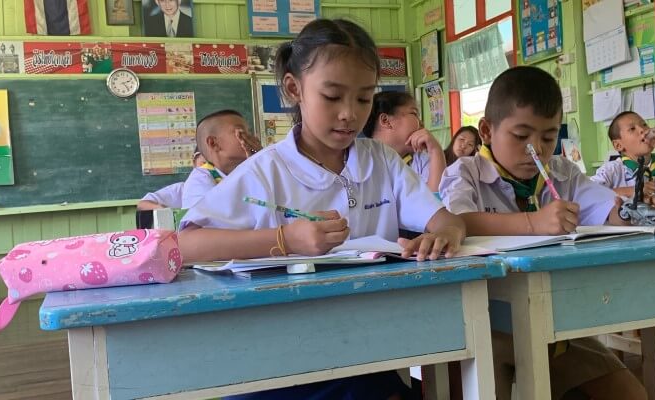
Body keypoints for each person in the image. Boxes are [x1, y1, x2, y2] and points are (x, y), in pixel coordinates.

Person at [178, 19, 465, 399]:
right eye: (332, 97)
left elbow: (445, 220)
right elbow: (186, 245)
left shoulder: (381, 161)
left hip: (362, 345)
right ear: (294, 89)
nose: (349, 114)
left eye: (363, 98)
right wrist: (285, 239)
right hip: (273, 356)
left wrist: (445, 234)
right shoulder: (265, 171)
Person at [438, 66, 647, 400]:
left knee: (630, 395)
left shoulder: (562, 172)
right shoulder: (465, 173)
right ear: (487, 131)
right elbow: (458, 221)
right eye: (521, 136)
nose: (535, 149)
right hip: (483, 324)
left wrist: (630, 209)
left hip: (552, 323)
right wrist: (532, 223)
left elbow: (607, 209)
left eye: (548, 138)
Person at [362, 91, 447, 192]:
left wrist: (435, 150)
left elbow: (435, 199)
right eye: (414, 113)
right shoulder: (360, 160)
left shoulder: (420, 160)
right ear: (385, 121)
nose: (421, 123)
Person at [182, 110, 260, 208]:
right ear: (213, 143)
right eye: (241, 132)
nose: (251, 138)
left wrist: (260, 162)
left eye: (249, 132)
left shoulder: (250, 169)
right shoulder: (199, 180)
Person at [137, 150, 206, 210]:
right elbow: (142, 204)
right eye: (204, 163)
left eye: (211, 165)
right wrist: (166, 211)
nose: (208, 168)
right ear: (194, 162)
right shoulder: (181, 190)